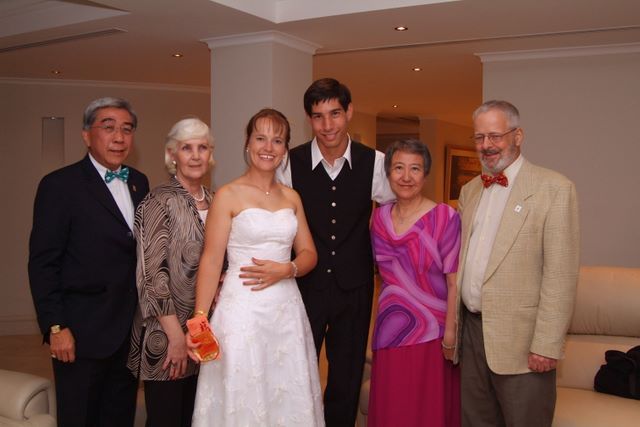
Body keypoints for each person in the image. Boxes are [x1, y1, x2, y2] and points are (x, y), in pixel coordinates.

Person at [189, 108, 324, 426]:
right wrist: (199, 319)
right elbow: (211, 260)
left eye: (277, 140)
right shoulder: (228, 194)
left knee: (285, 391)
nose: (268, 147)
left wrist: (287, 269)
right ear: (247, 143)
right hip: (242, 310)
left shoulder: (292, 197)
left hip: (286, 312)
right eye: (260, 138)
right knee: (243, 388)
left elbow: (309, 253)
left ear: (285, 149)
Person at [276, 77, 394, 426]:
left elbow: (396, 215)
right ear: (308, 119)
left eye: (335, 114)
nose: (327, 125)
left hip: (355, 287)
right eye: (318, 116)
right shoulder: (289, 164)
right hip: (303, 286)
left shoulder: (375, 162)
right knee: (297, 374)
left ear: (349, 112)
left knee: (347, 377)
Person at [457, 100, 580, 427]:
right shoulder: (470, 191)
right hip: (472, 333)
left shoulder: (554, 189)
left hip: (523, 344)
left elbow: (560, 275)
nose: (486, 145)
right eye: (479, 137)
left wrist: (546, 345)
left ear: (518, 136)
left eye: (495, 136)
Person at [28, 97, 149, 426]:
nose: (119, 137)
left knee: (119, 415)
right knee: (79, 417)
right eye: (108, 128)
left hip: (128, 331)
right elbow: (43, 263)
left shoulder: (139, 182)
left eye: (127, 129)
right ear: (86, 135)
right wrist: (56, 327)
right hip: (81, 332)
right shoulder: (59, 185)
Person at [127, 118, 215, 427]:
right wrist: (176, 337)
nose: (195, 155)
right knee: (166, 418)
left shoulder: (217, 201)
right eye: (186, 148)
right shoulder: (157, 201)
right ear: (172, 155)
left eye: (202, 148)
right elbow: (152, 276)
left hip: (205, 333)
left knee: (197, 416)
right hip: (166, 335)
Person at [368, 139, 461, 426]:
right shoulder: (378, 219)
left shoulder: (445, 218)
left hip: (431, 333)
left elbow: (454, 281)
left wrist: (451, 333)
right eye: (399, 168)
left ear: (425, 174)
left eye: (415, 169)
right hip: (389, 331)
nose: (406, 177)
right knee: (393, 409)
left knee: (424, 411)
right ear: (388, 173)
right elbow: (380, 279)